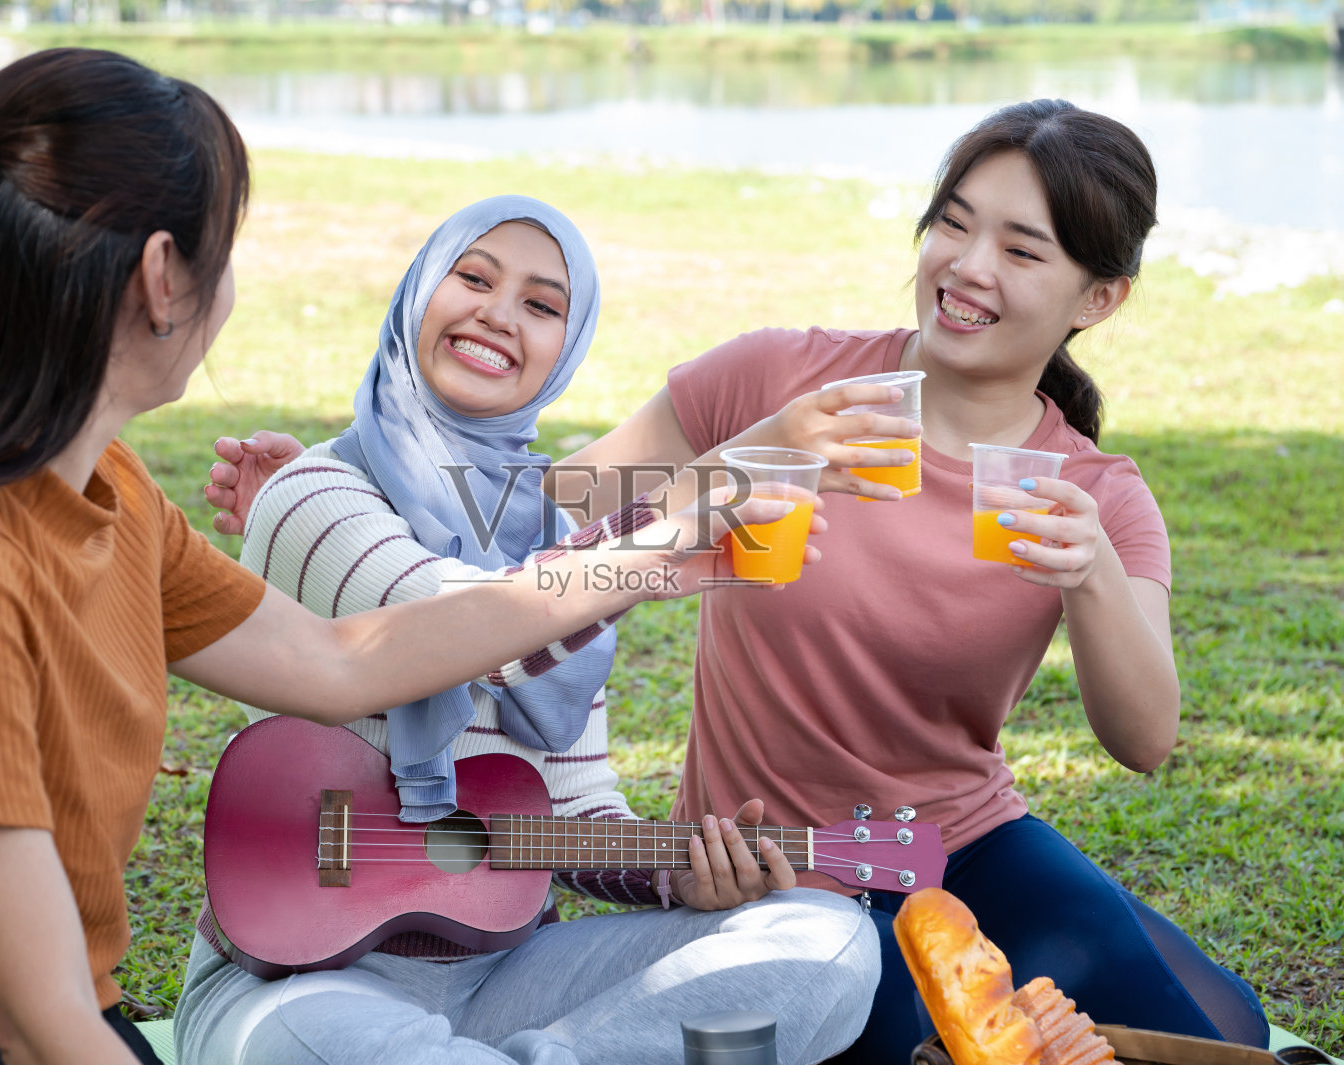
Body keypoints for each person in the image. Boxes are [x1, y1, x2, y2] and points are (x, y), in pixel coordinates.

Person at [0, 50, 845, 1065]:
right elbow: (38, 1026)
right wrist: (665, 530)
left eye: (541, 302)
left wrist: (662, 555)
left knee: (828, 942)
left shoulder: (116, 496)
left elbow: (353, 658)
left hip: (134, 1011)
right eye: (228, 250)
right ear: (165, 279)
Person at [209, 100, 1271, 1062]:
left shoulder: (1095, 495)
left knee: (1226, 1030)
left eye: (1019, 248)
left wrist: (1088, 574)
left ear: (1101, 295)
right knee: (900, 1036)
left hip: (956, 836)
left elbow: (1145, 736)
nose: (967, 265)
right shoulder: (781, 378)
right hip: (764, 854)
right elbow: (562, 501)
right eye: (952, 223)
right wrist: (337, 479)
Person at [176, 196, 879, 1065]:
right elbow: (453, 620)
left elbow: (577, 808)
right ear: (416, 295)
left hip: (508, 978)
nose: (499, 315)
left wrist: (680, 876)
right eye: (472, 278)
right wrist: (651, 546)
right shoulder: (309, 495)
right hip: (298, 981)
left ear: (565, 350)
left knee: (830, 938)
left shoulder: (553, 543)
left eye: (543, 306)